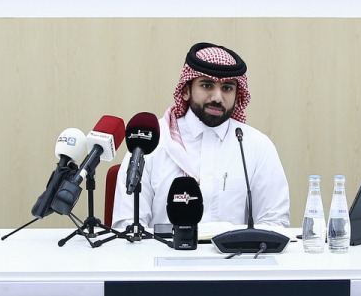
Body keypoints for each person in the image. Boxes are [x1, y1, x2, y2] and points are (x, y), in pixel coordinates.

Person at [111, 42, 290, 230]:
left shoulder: (256, 146)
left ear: (237, 95)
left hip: (233, 258)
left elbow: (274, 222)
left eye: (227, 88)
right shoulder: (151, 140)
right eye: (207, 85)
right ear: (186, 90)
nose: (217, 97)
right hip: (162, 255)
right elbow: (128, 224)